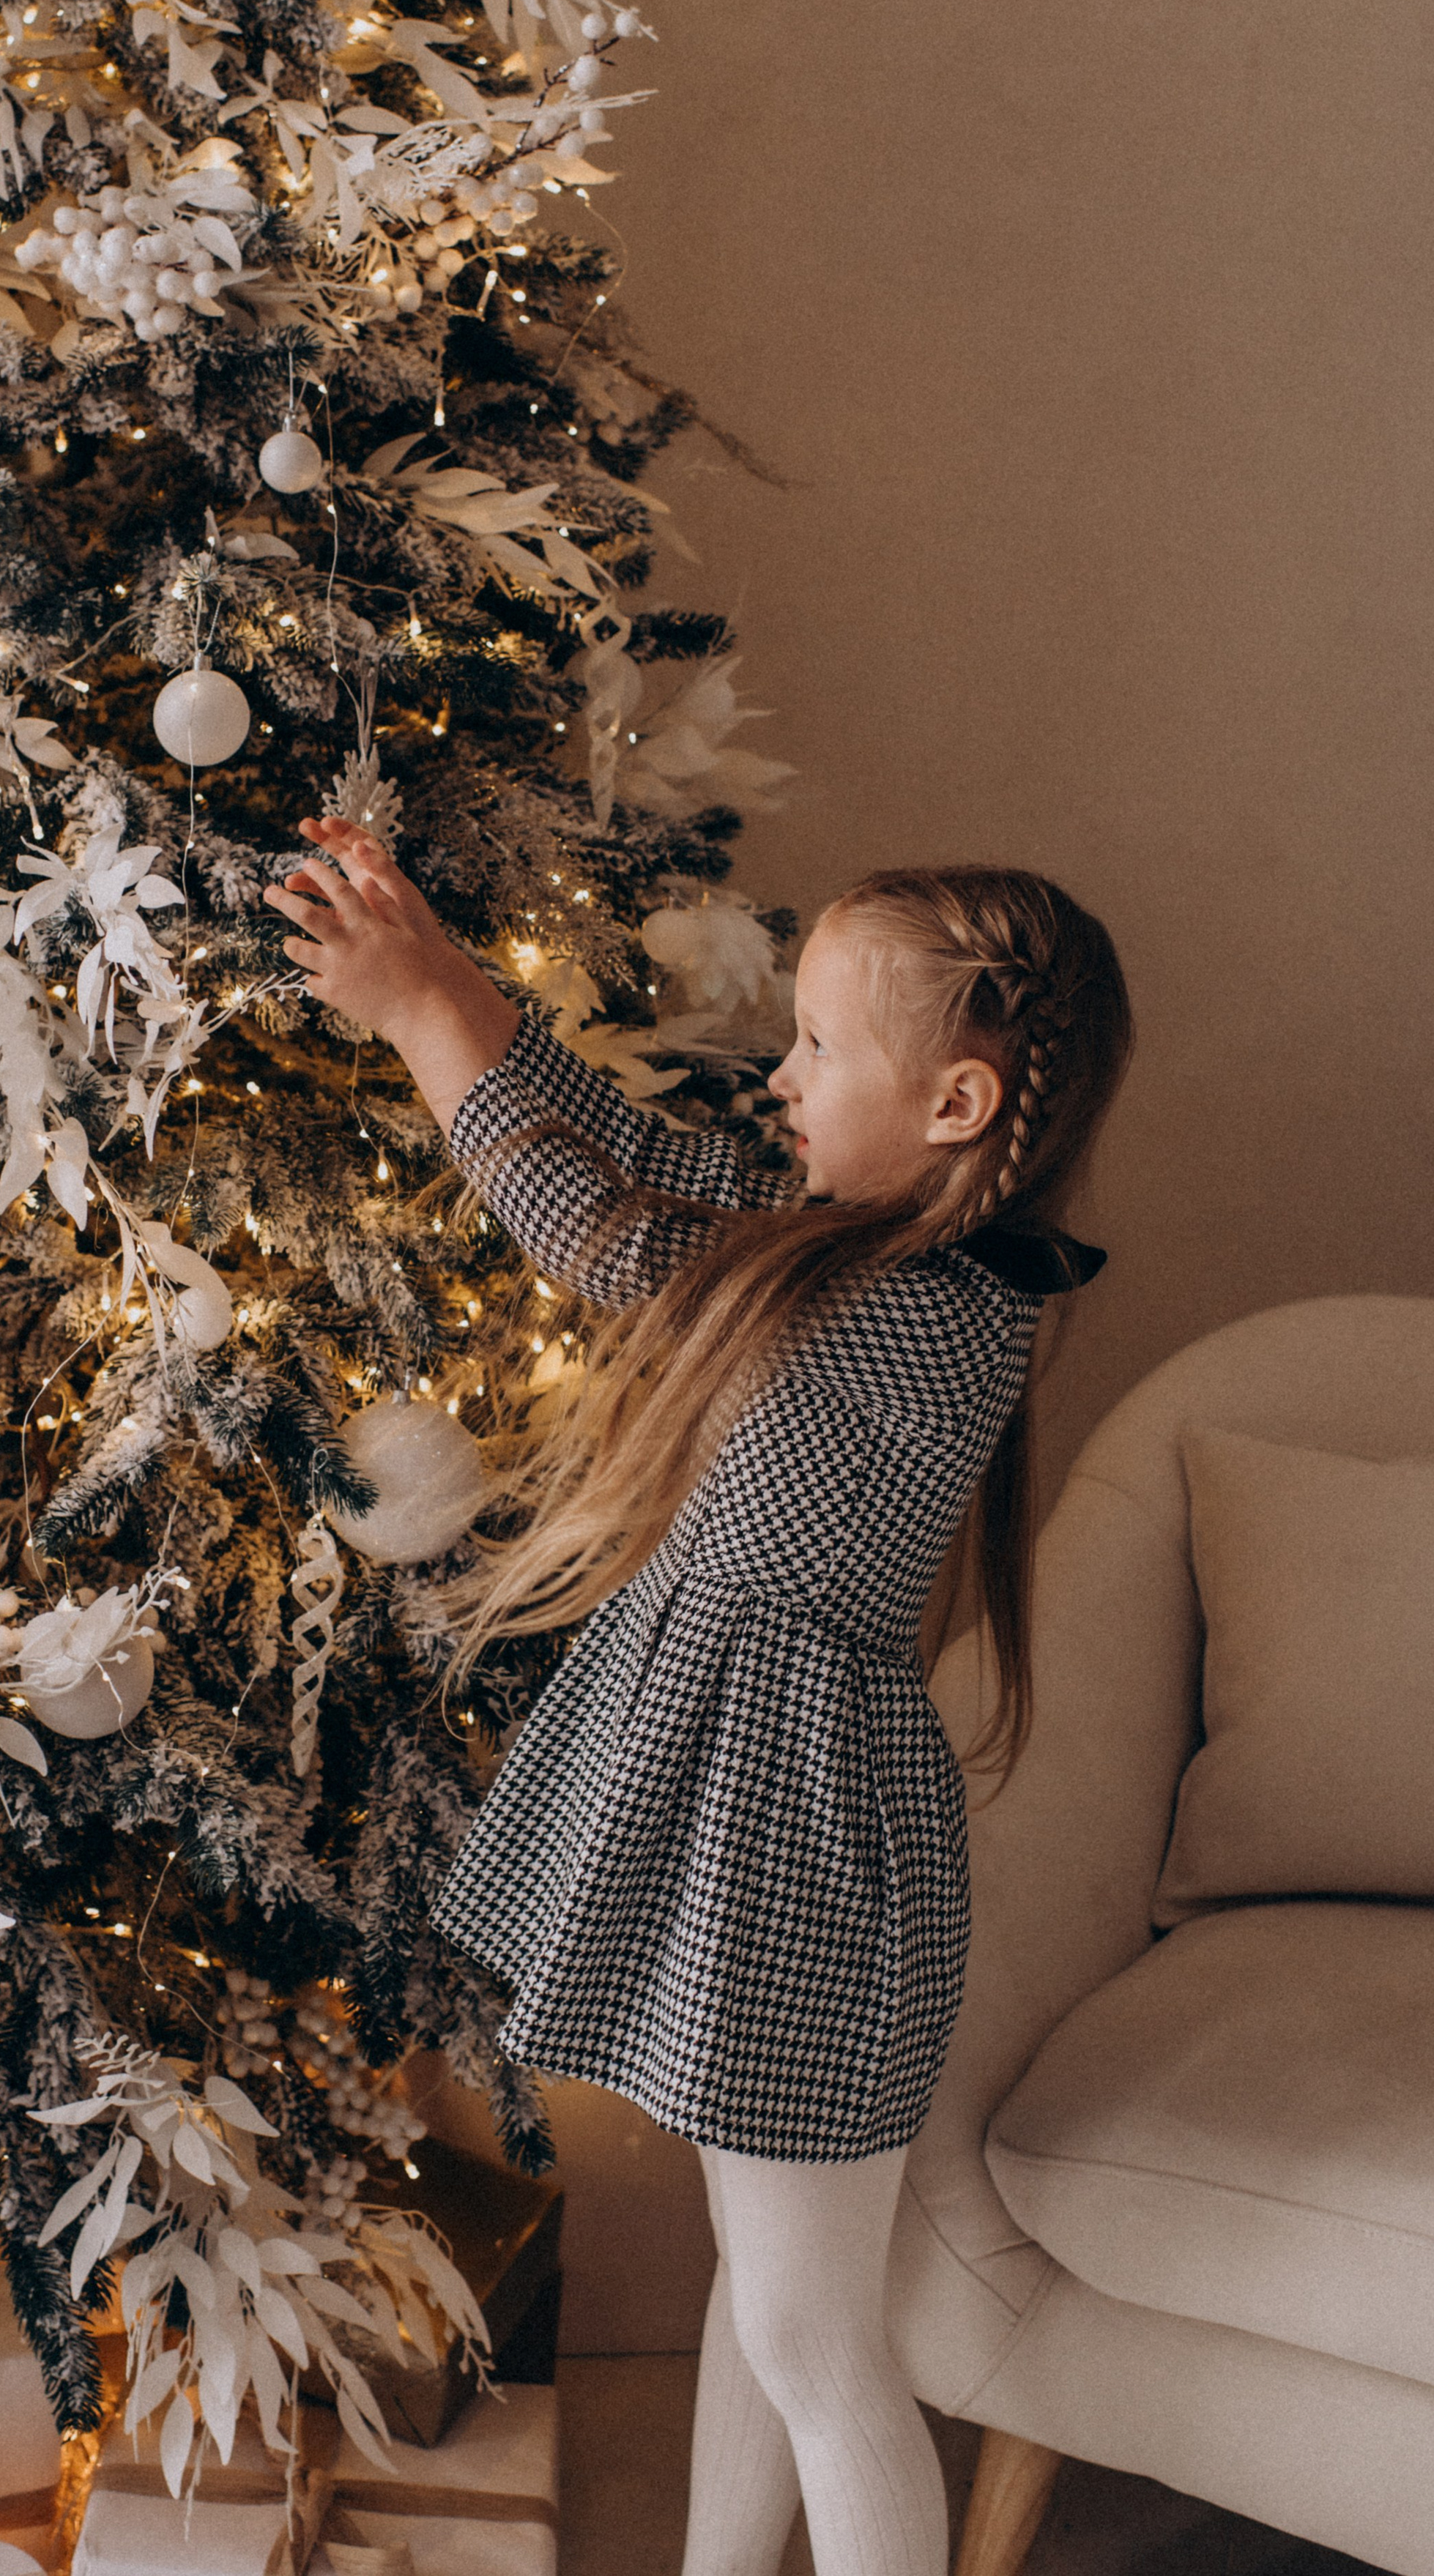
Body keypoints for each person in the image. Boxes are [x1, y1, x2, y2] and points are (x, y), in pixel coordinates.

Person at [263, 817, 1134, 2576]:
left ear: (954, 1107)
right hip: (772, 1822)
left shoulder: (906, 1311)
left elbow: (596, 1226)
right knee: (770, 2296)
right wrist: (451, 982)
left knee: (818, 2342)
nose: (784, 1079)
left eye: (822, 1047)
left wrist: (424, 1019)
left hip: (793, 1852)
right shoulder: (860, 1247)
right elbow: (648, 1151)